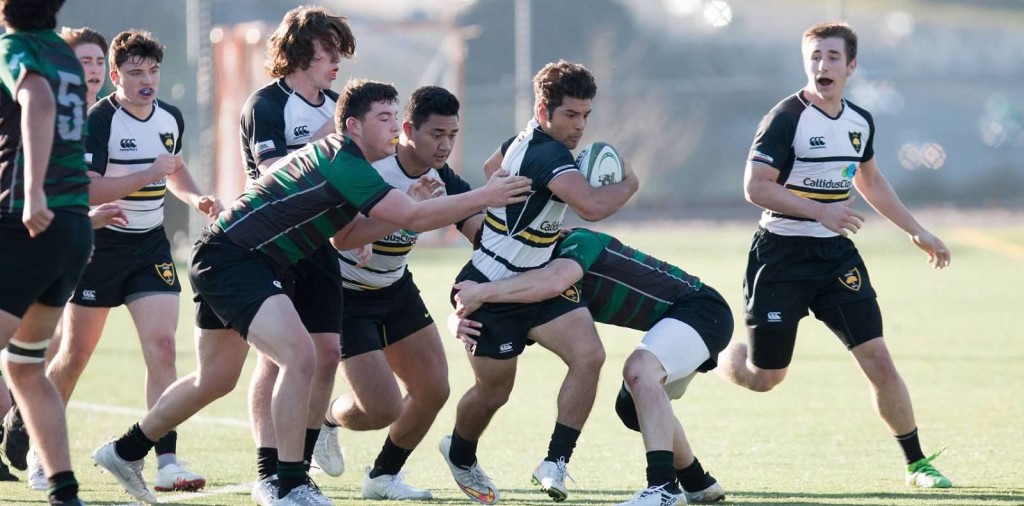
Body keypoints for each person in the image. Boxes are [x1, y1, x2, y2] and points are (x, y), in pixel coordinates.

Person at [91, 79, 532, 506]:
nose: (393, 126)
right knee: (300, 356)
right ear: (354, 126)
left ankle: (125, 451)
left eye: (395, 116)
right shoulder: (346, 161)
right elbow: (413, 217)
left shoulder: (344, 160)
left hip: (240, 257)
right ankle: (289, 484)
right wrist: (486, 195)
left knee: (216, 378)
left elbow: (354, 232)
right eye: (384, 118)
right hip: (233, 259)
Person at [716, 22, 953, 489]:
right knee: (765, 378)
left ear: (851, 66)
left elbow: (869, 180)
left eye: (831, 57)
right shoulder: (785, 117)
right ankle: (717, 355)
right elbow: (755, 188)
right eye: (815, 57)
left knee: (879, 359)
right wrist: (816, 212)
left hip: (835, 260)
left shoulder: (859, 120)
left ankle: (917, 464)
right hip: (780, 257)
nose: (822, 65)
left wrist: (916, 230)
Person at [440, 60, 638, 504]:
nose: (579, 126)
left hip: (538, 281)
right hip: (489, 288)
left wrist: (519, 211)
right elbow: (590, 206)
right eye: (570, 115)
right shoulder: (547, 154)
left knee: (589, 355)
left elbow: (494, 164)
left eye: (586, 115)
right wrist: (631, 182)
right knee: (495, 392)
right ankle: (459, 452)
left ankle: (555, 462)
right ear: (543, 108)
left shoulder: (526, 140)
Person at [36, 29, 221, 494]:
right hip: (100, 246)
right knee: (74, 356)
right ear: (115, 76)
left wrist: (197, 197)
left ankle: (166, 461)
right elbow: (91, 189)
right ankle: (44, 452)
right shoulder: (98, 120)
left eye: (153, 71)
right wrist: (147, 174)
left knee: (162, 348)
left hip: (149, 247)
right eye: (135, 72)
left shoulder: (170, 116)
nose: (147, 80)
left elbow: (174, 170)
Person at [453, 227, 732, 505]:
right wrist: (458, 319)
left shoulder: (578, 242)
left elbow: (552, 282)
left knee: (640, 371)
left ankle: (662, 488)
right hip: (684, 319)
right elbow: (513, 314)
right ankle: (697, 482)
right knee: (633, 408)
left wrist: (483, 292)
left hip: (701, 309)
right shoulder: (530, 278)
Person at [313, 85, 479, 501]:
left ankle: (383, 476)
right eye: (436, 134)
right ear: (408, 129)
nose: (444, 146)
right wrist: (384, 219)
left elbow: (476, 228)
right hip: (347, 296)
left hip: (396, 288)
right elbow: (343, 237)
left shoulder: (441, 174)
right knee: (381, 409)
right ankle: (327, 419)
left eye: (452, 136)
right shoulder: (373, 167)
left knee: (434, 389)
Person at [237, 7, 355, 505]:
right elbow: (273, 174)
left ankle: (298, 471)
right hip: (268, 246)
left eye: (341, 52)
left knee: (327, 353)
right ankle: (270, 474)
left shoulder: (335, 105)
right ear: (302, 50)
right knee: (277, 358)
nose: (337, 62)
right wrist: (330, 141)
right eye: (330, 50)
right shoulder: (265, 104)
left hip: (318, 243)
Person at [0, 0, 93, 503]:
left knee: (25, 364)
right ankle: (63, 489)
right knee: (25, 366)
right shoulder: (63, 51)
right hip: (73, 227)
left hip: (27, 224)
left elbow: (35, 98)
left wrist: (32, 190)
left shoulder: (16, 48)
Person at [59, 27, 107, 110]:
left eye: (100, 63)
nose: (95, 71)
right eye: (86, 62)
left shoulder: (115, 118)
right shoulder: (48, 113)